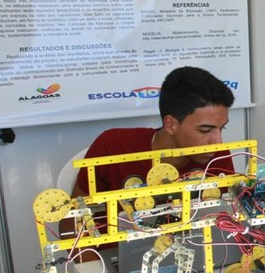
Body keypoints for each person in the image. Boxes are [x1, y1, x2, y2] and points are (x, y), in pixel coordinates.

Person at [71, 66, 236, 199]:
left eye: (222, 128)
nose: (217, 142)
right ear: (170, 124)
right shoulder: (112, 146)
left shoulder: (218, 156)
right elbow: (71, 223)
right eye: (205, 130)